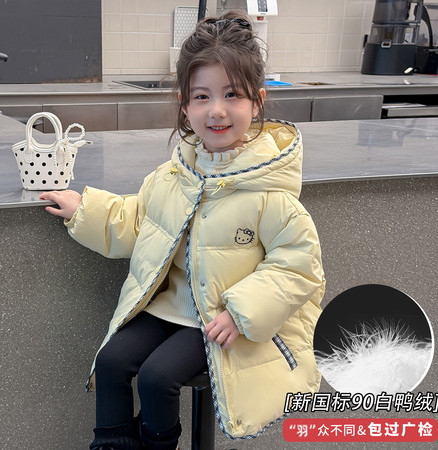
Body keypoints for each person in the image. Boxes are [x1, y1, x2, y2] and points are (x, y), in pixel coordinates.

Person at [40, 9, 325, 450]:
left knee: (157, 378)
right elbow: (137, 221)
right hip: (167, 308)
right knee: (111, 361)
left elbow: (299, 265)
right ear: (185, 105)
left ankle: (156, 444)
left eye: (232, 94)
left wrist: (243, 311)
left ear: (257, 101)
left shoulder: (270, 193)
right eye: (201, 96)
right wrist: (84, 210)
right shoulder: (173, 176)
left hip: (218, 319)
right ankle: (113, 444)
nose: (216, 110)